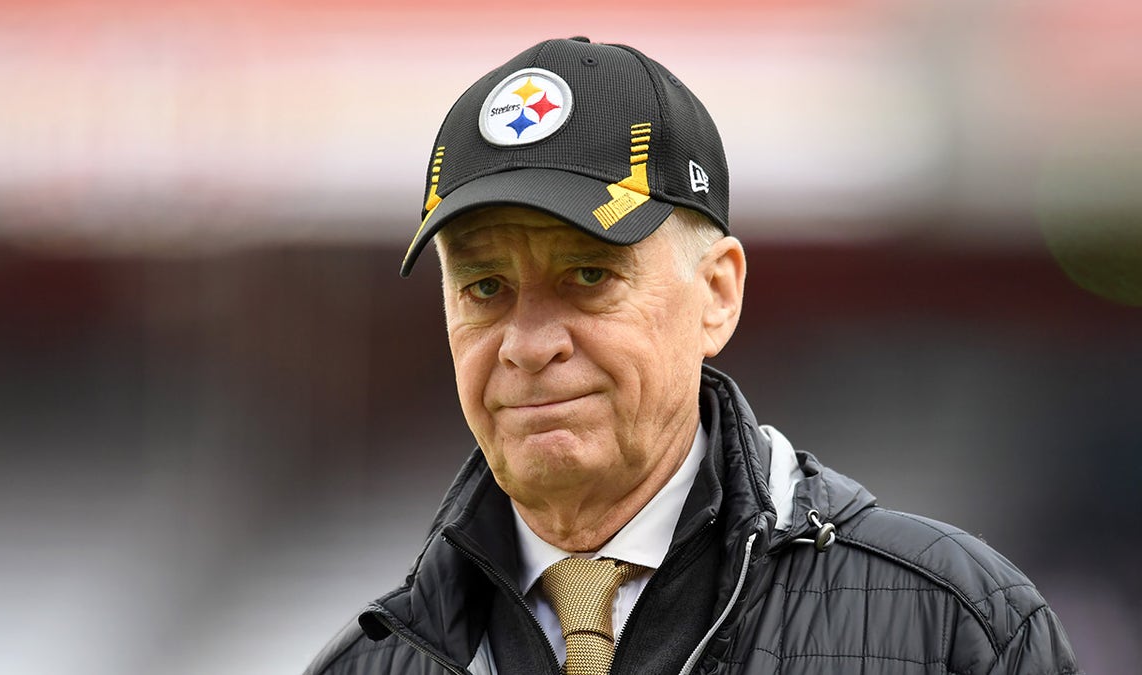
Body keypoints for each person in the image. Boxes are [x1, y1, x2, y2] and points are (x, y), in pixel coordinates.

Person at [306, 37, 1081, 675]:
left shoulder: (955, 631)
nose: (529, 343)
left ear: (718, 293)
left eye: (588, 274)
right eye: (484, 287)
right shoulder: (365, 665)